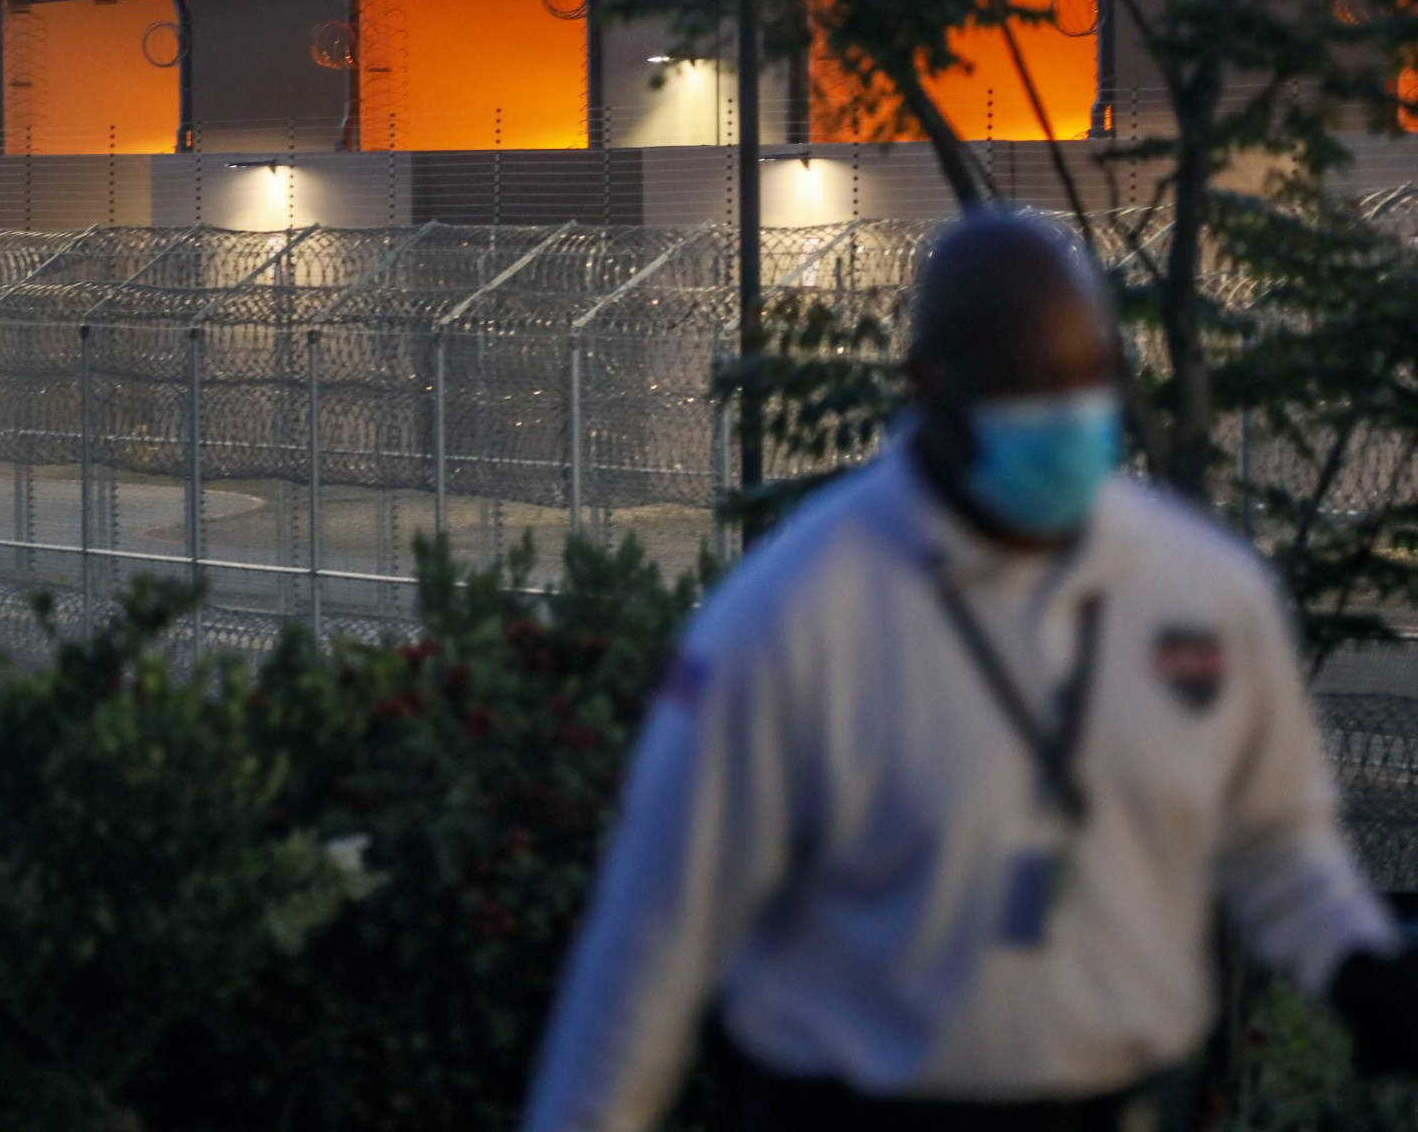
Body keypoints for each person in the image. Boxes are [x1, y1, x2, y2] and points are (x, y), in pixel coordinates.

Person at [519, 210, 1418, 1132]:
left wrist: (1352, 964)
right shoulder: (792, 618)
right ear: (928, 384)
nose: (1067, 417)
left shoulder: (1201, 590)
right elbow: (657, 931)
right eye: (1030, 389)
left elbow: (1271, 835)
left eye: (1088, 382)